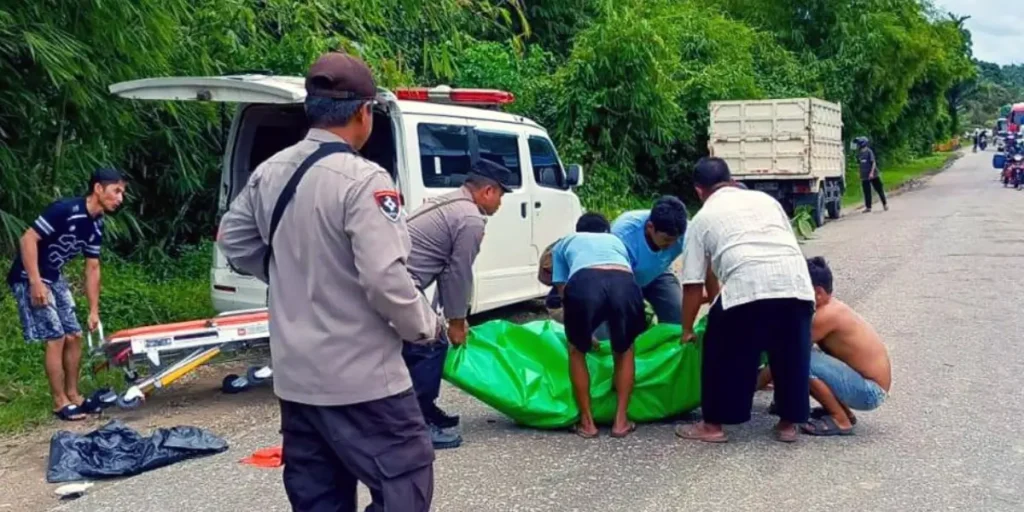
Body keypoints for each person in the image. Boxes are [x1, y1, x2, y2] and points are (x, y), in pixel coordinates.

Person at [217, 51, 439, 512]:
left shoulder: (269, 171)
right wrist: (426, 327)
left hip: (297, 381)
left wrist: (289, 270)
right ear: (363, 112)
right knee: (406, 481)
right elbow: (385, 279)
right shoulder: (363, 180)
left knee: (318, 498)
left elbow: (233, 240)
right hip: (365, 383)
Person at [675, 157, 815, 444]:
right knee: (791, 354)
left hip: (747, 288)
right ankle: (788, 425)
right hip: (797, 284)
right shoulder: (765, 201)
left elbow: (692, 283)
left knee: (721, 353)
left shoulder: (702, 218)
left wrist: (686, 329)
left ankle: (713, 425)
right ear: (730, 179)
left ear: (699, 191)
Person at [403, 158, 515, 450]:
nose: (500, 204)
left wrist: (453, 315)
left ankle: (422, 411)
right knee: (431, 343)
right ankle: (416, 426)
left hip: (394, 279)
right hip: (397, 283)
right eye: (501, 196)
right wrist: (454, 323)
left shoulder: (450, 203)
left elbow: (444, 270)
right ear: (488, 191)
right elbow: (458, 273)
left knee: (418, 344)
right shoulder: (470, 219)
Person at [7, 168, 125, 421]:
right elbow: (27, 239)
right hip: (30, 276)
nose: (120, 198)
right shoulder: (65, 210)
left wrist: (94, 310)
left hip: (55, 275)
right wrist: (36, 282)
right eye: (116, 191)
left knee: (74, 334)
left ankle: (73, 394)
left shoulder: (97, 223)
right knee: (56, 336)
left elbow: (92, 266)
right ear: (98, 189)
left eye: (122, 193)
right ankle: (59, 401)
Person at [548, 213, 646, 439]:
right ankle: (620, 421)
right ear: (606, 231)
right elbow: (627, 273)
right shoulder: (617, 241)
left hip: (584, 282)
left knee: (576, 351)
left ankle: (587, 423)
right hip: (624, 283)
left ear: (578, 230)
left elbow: (564, 291)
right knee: (625, 350)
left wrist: (583, 334)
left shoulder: (565, 242)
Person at [798, 256, 891, 436]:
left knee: (800, 361)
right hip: (866, 385)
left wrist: (749, 388)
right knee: (806, 356)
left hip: (870, 392)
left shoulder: (825, 315)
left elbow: (788, 354)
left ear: (818, 292)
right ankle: (844, 413)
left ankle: (840, 420)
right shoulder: (831, 306)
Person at [608, 196, 688, 325]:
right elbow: (612, 278)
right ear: (650, 227)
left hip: (659, 273)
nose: (672, 244)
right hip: (622, 277)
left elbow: (705, 269)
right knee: (620, 325)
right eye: (667, 240)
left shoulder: (687, 233)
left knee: (677, 312)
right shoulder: (622, 235)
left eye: (676, 239)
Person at [855, 137, 888, 213]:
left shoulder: (869, 152)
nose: (858, 145)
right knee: (867, 191)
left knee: (879, 189)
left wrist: (872, 173)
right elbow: (859, 164)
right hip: (864, 176)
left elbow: (873, 163)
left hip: (873, 175)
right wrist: (859, 172)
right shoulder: (859, 153)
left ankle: (885, 204)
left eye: (859, 143)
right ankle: (868, 207)